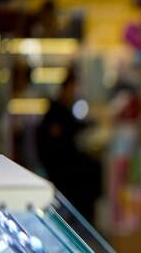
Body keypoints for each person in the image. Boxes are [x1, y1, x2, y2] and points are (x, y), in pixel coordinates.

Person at [36, 69, 102, 226]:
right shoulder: (56, 109)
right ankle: (81, 221)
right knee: (90, 173)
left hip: (64, 163)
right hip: (61, 166)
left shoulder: (61, 108)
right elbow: (62, 135)